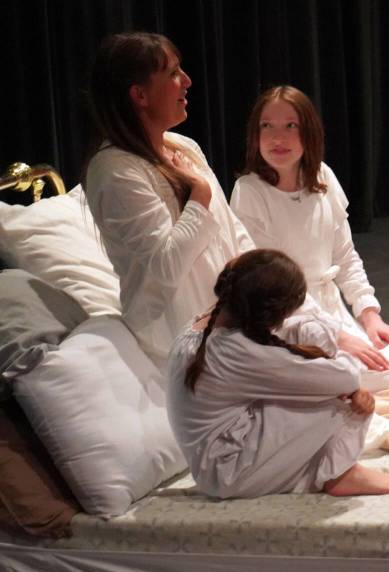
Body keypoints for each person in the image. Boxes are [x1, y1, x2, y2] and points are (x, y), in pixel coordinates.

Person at [230, 85, 389, 392]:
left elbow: (345, 257)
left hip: (330, 313)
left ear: (308, 132)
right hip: (285, 318)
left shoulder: (323, 178)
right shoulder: (250, 191)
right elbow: (268, 284)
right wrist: (332, 335)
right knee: (345, 376)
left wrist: (369, 316)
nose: (277, 138)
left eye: (290, 126)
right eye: (267, 127)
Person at [166, 249, 389, 499]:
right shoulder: (233, 351)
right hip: (229, 471)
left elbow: (293, 342)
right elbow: (345, 378)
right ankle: (340, 473)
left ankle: (331, 468)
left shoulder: (204, 327)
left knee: (313, 355)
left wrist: (322, 336)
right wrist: (347, 380)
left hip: (217, 463)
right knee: (344, 402)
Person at [84, 32, 254, 366]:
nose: (187, 81)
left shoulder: (183, 147)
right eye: (174, 73)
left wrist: (263, 291)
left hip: (231, 326)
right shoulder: (115, 170)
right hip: (182, 345)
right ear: (140, 95)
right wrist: (200, 194)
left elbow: (232, 233)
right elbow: (166, 266)